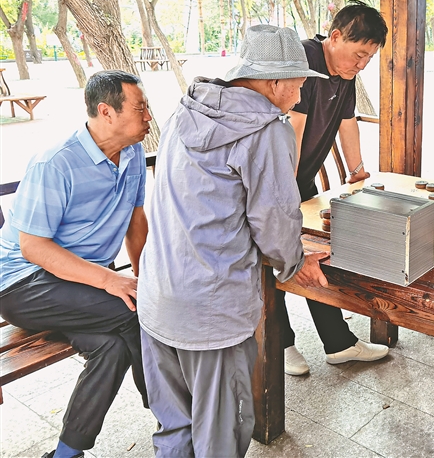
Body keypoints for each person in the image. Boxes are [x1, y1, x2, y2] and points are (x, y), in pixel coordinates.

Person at [138, 25, 330, 457]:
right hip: (210, 309)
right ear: (273, 82)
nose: (299, 96)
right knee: (222, 431)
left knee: (174, 426)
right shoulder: (266, 129)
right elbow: (275, 217)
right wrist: (297, 262)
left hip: (157, 295)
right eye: (298, 85)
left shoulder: (186, 110)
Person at [0, 71, 152, 458]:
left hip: (77, 285)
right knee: (138, 312)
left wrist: (147, 276)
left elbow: (136, 223)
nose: (149, 115)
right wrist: (110, 281)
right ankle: (175, 416)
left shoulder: (132, 152)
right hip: (23, 284)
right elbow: (33, 247)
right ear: (107, 112)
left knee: (112, 349)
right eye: (140, 108)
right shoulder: (56, 163)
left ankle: (66, 453)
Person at [278, 0, 390, 376]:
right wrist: (283, 196)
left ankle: (338, 342)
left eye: (368, 59)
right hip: (277, 177)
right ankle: (280, 344)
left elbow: (347, 122)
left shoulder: (345, 74)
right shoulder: (305, 62)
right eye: (359, 55)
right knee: (274, 254)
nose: (361, 65)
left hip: (300, 177)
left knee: (316, 253)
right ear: (336, 36)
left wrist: (356, 170)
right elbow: (292, 131)